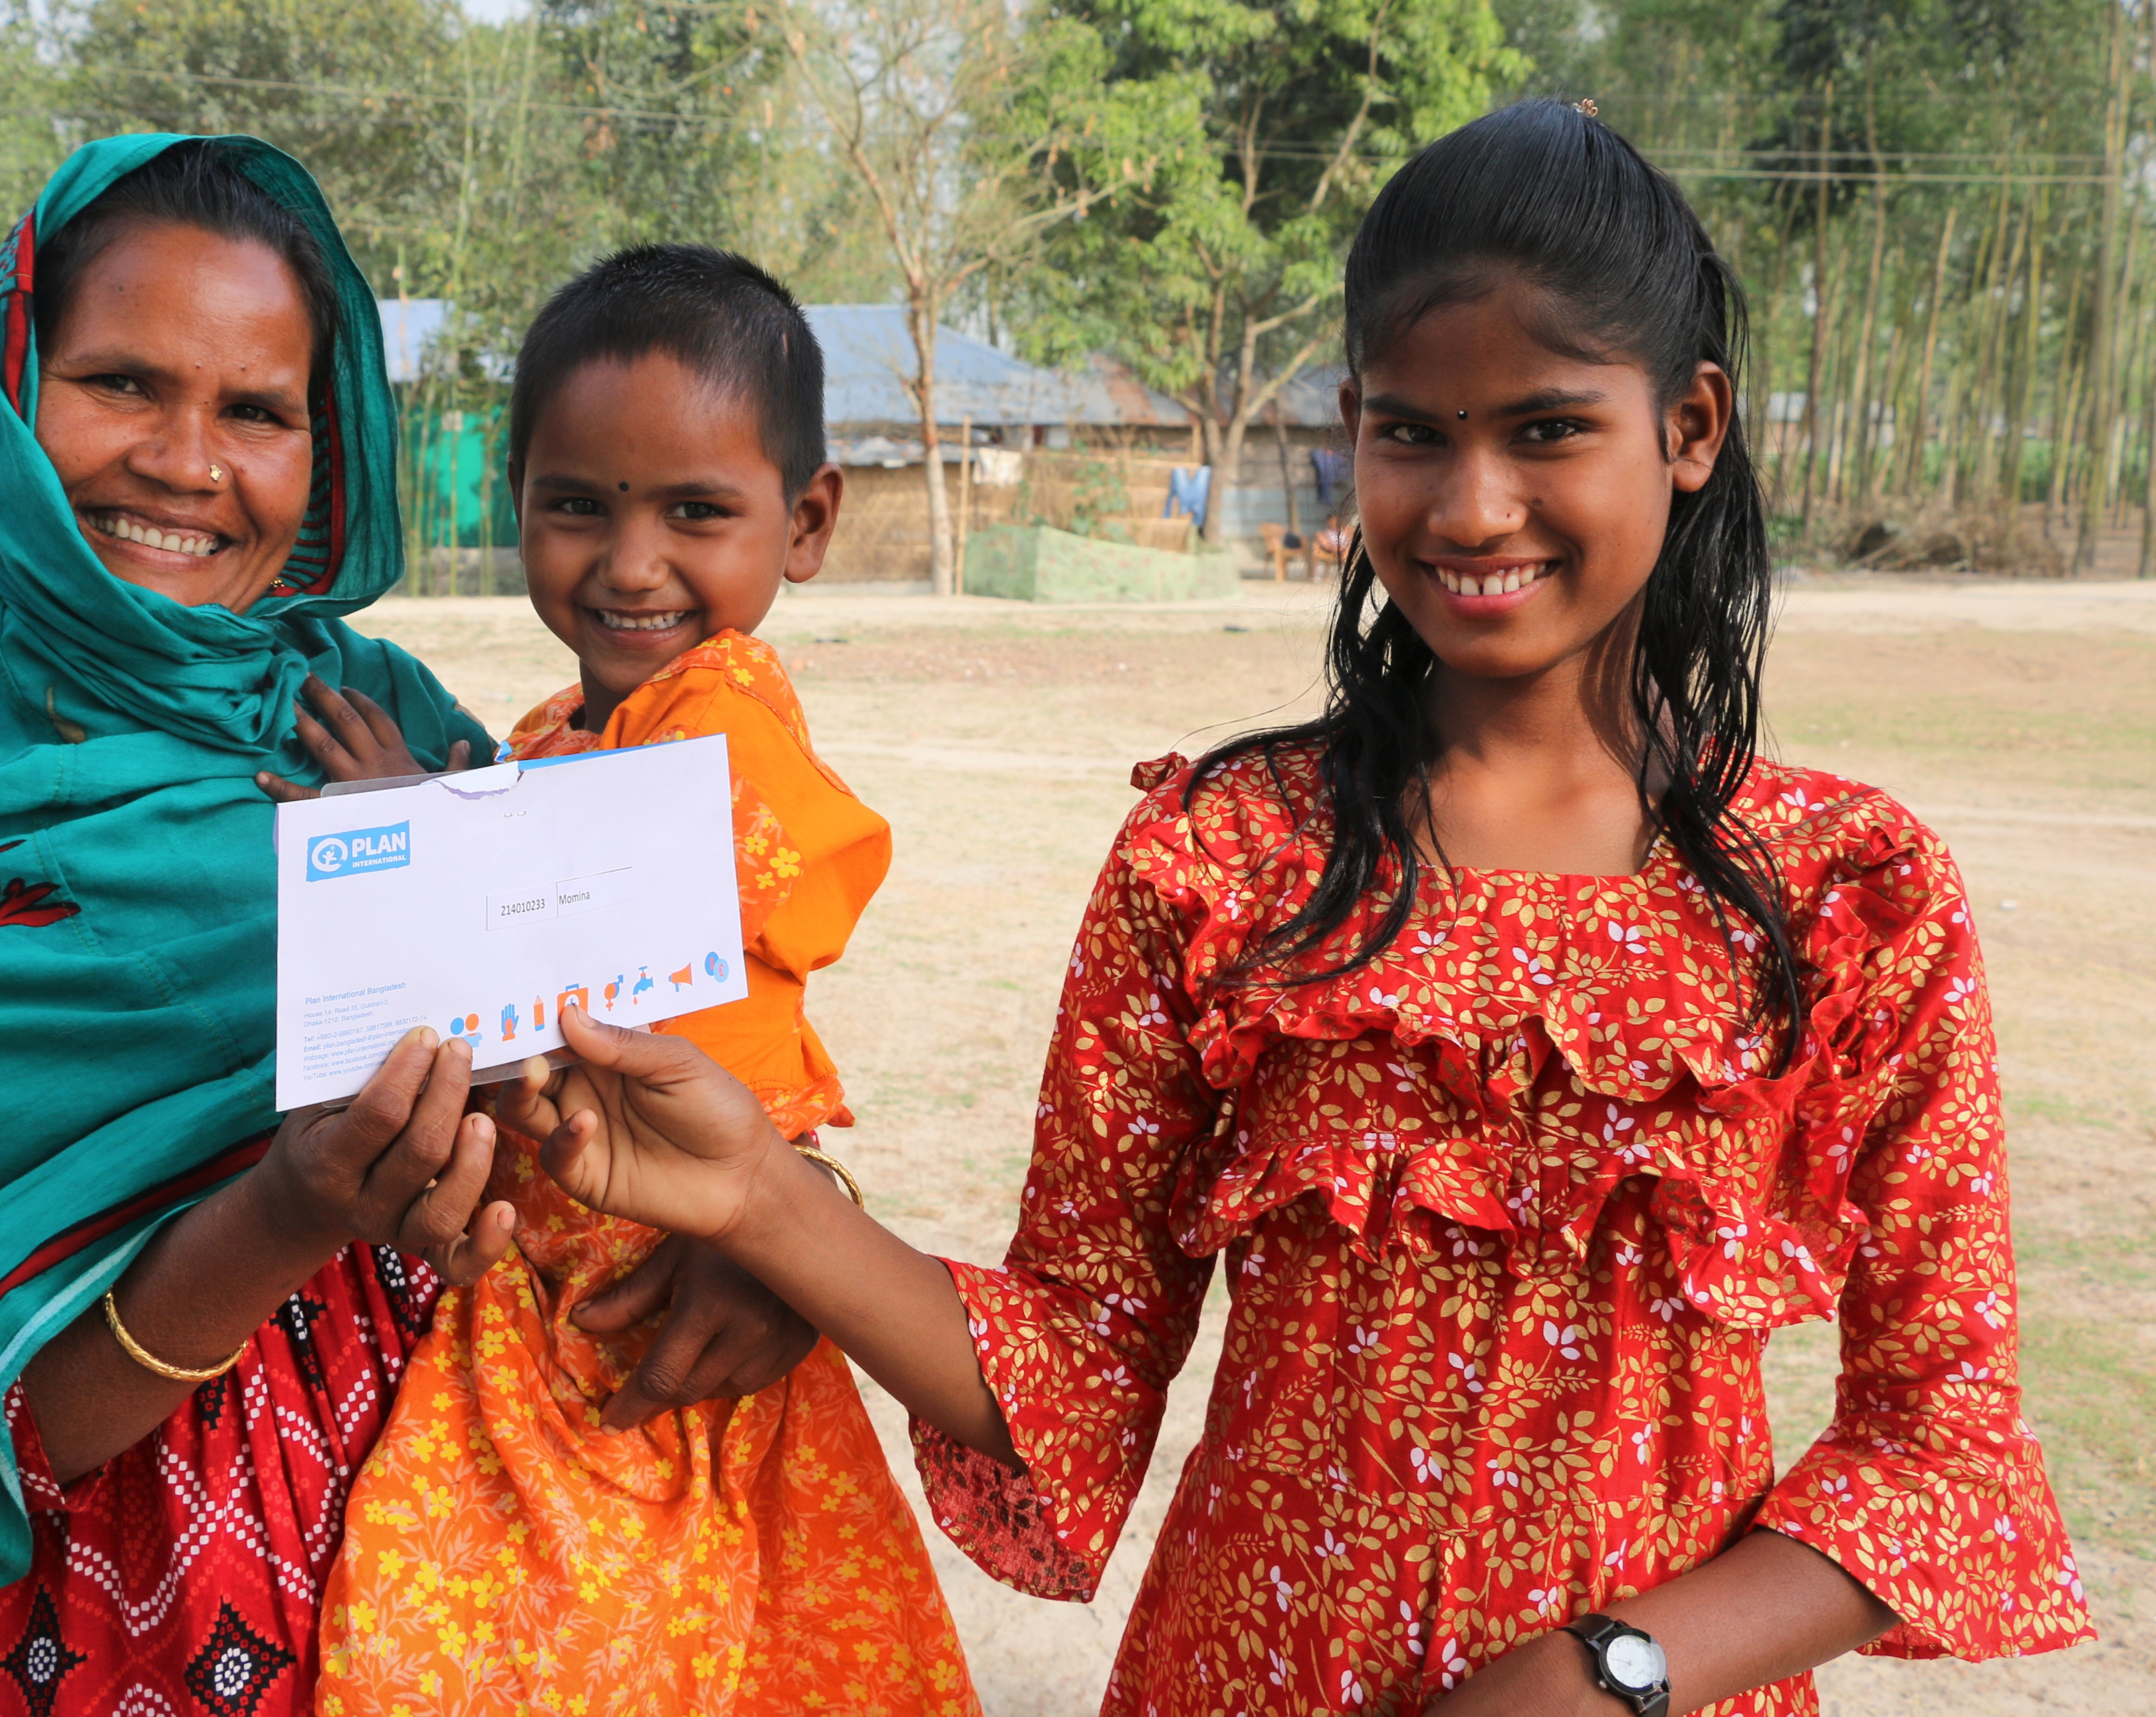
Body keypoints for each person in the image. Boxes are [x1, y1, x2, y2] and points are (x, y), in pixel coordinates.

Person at [491, 103, 2093, 1716]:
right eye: (1411, 433)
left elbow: (1938, 1450)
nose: (1468, 508)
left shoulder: (1843, 892)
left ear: (1687, 426)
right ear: (1351, 429)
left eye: (1543, 431)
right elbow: (1072, 1362)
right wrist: (763, 1200)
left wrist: (1609, 1670)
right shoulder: (1221, 858)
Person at [0, 138, 794, 1717]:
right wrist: (287, 1212)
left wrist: (772, 1229)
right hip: (95, 1637)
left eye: (258, 411)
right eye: (122, 383)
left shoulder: (386, 725)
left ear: (322, 450)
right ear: (1, 401)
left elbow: (652, 1056)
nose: (188, 462)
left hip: (478, 1618)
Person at [316, 245, 980, 1717]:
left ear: (802, 523)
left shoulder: (717, 711)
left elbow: (616, 915)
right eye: (577, 505)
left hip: (665, 1262)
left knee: (610, 1626)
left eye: (694, 510)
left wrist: (419, 824)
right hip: (580, 1269)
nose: (628, 562)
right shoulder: (563, 721)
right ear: (518, 505)